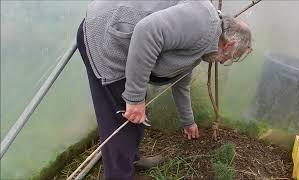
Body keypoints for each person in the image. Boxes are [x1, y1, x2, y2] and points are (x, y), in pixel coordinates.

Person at [76, 0, 252, 179]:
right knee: (120, 118)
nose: (223, 62)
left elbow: (181, 81)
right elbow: (147, 31)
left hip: (121, 40)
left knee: (135, 114)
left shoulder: (205, 41)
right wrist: (135, 98)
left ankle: (132, 159)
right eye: (231, 56)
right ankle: (119, 174)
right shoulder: (202, 23)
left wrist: (188, 122)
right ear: (228, 45)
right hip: (105, 37)